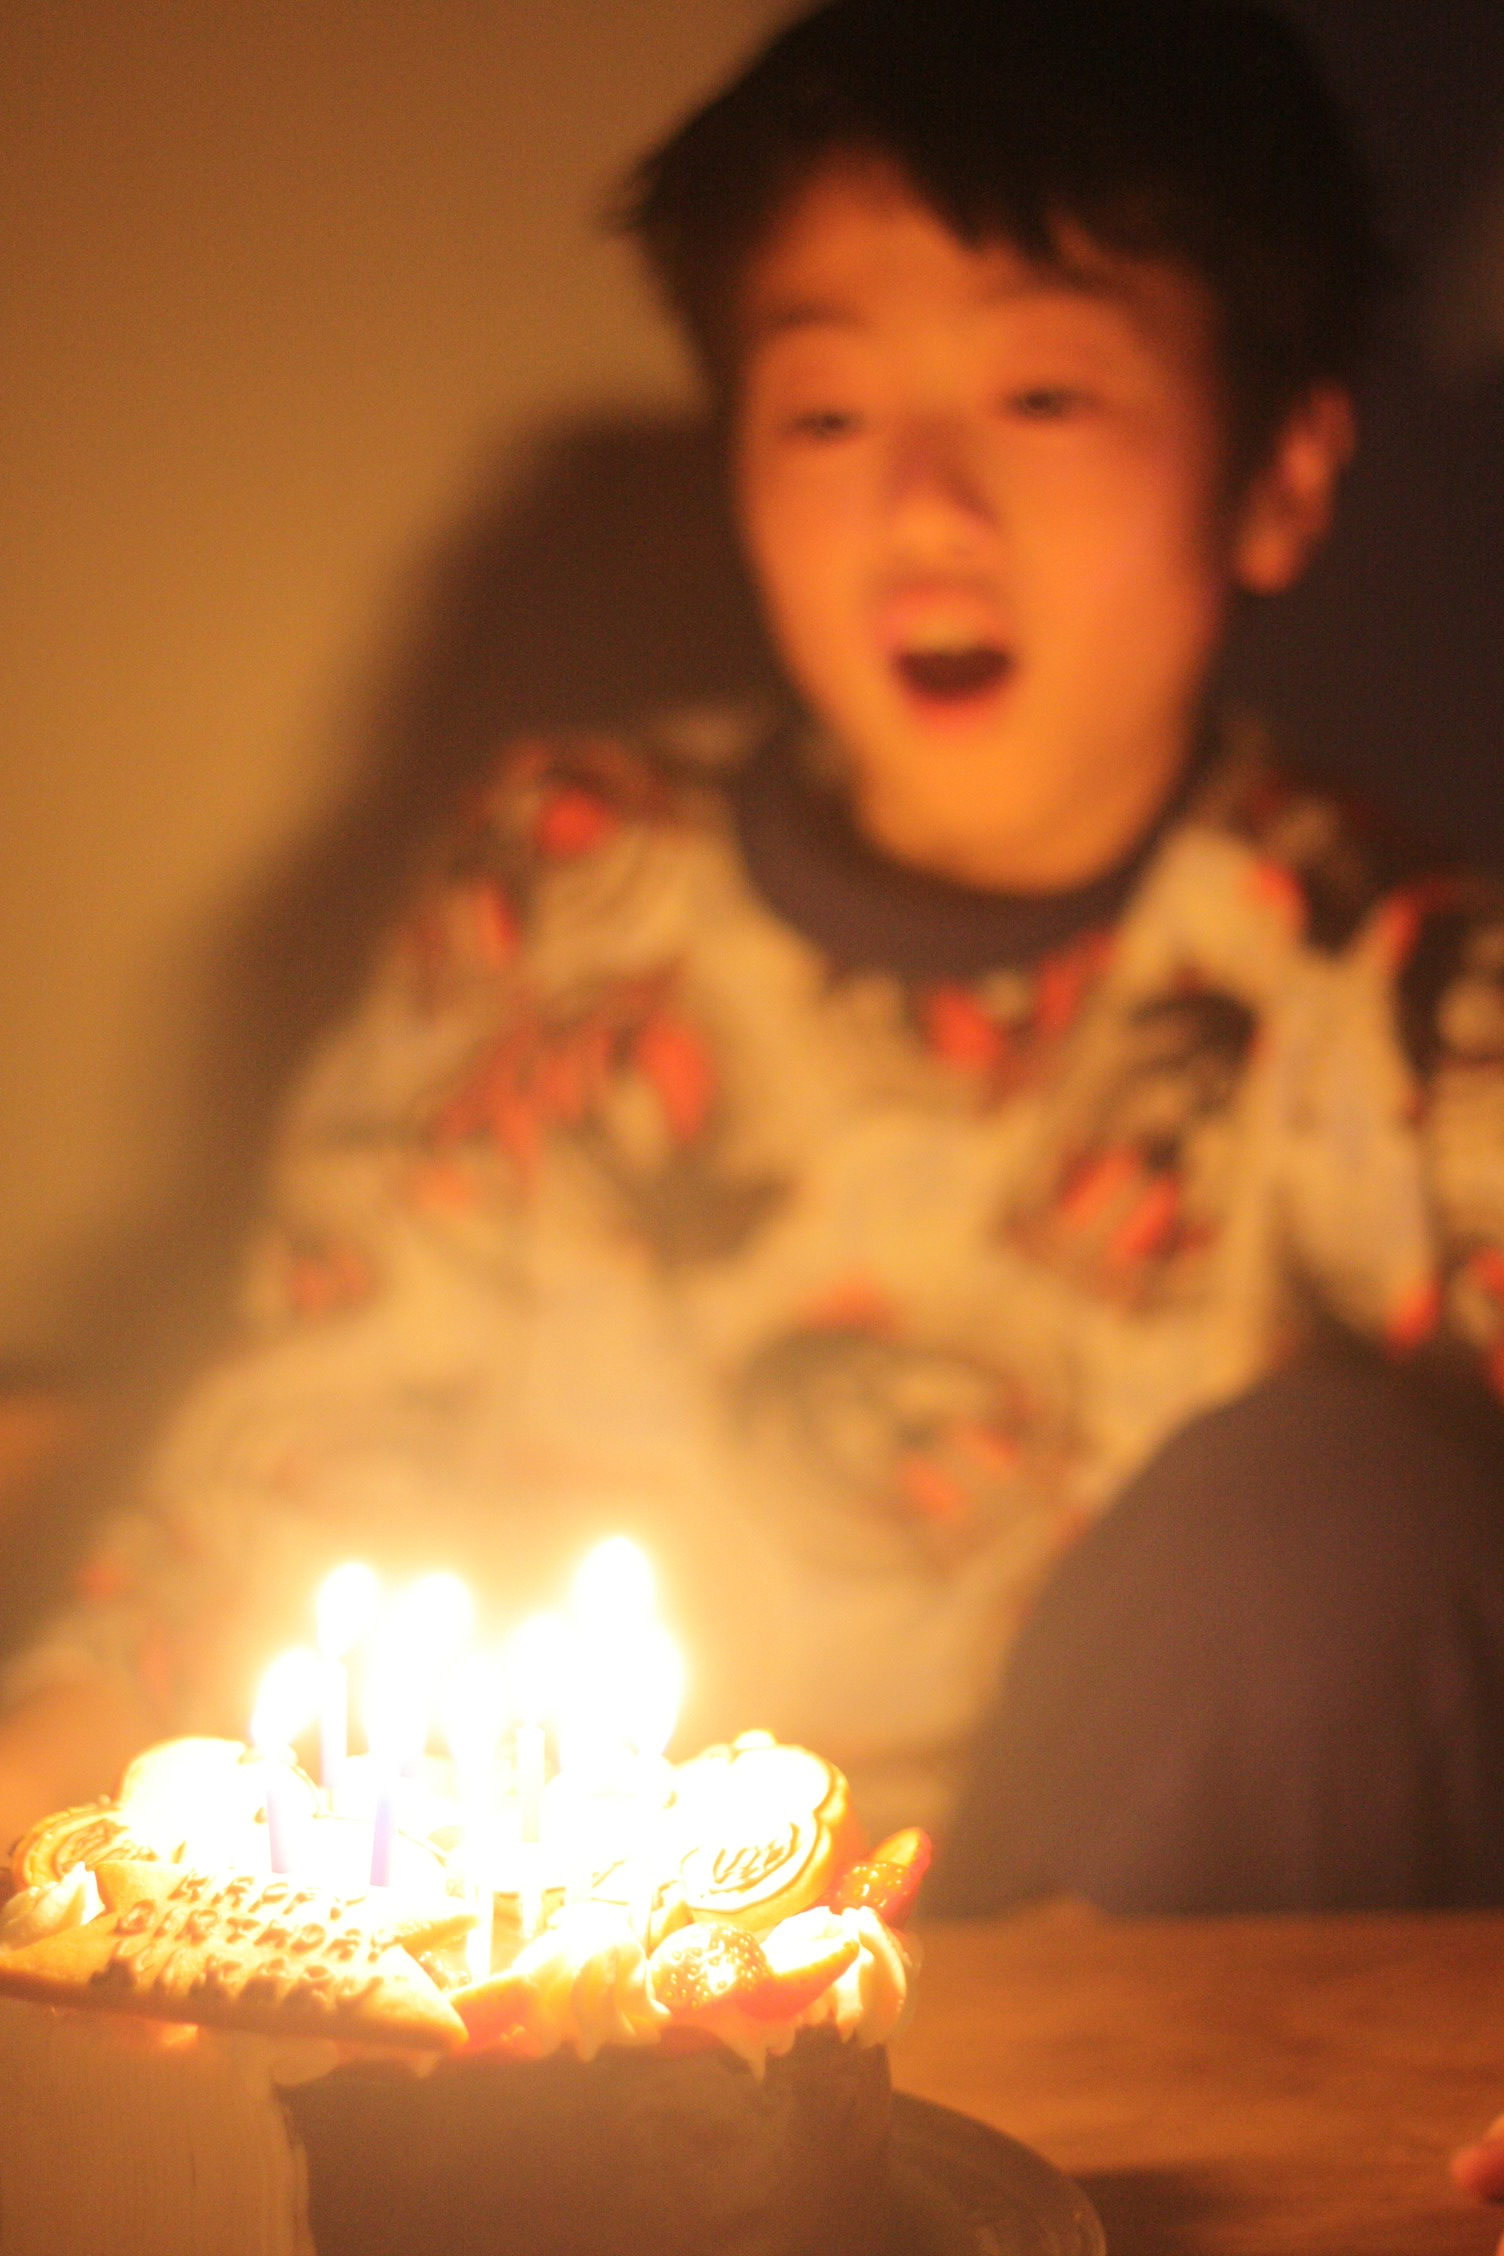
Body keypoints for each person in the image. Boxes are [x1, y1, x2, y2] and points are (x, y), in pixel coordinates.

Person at [6, 0, 1504, 1938]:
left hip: (1089, 2019)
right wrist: (50, 1781)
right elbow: (302, 1449)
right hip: (542, 2003)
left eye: (1042, 399)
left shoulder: (1380, 992)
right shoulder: (573, 887)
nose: (927, 507)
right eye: (827, 415)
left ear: (1279, 473)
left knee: (1331, 1527)